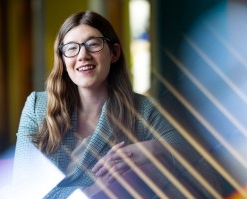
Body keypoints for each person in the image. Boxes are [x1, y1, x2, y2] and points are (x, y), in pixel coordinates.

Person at [13, 11, 223, 199]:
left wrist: (153, 150)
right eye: (71, 48)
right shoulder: (37, 106)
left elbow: (206, 176)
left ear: (114, 53)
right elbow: (21, 189)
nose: (82, 55)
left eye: (93, 44)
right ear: (63, 60)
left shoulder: (143, 109)